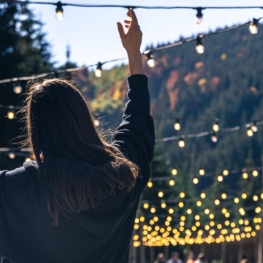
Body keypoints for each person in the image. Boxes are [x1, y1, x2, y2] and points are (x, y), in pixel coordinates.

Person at [0, 9, 154, 263]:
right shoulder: (124, 176)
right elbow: (137, 122)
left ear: (37, 132)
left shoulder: (25, 187)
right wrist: (134, 56)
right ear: (82, 118)